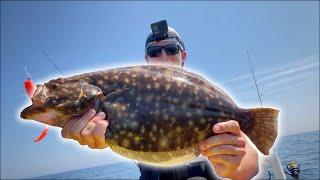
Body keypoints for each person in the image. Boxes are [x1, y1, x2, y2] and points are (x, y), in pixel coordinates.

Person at [61, 20, 260, 180]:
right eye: (155, 52)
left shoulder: (208, 97)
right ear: (147, 59)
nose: (163, 56)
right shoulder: (131, 94)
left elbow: (248, 161)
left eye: (171, 49)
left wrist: (238, 167)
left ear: (183, 55)